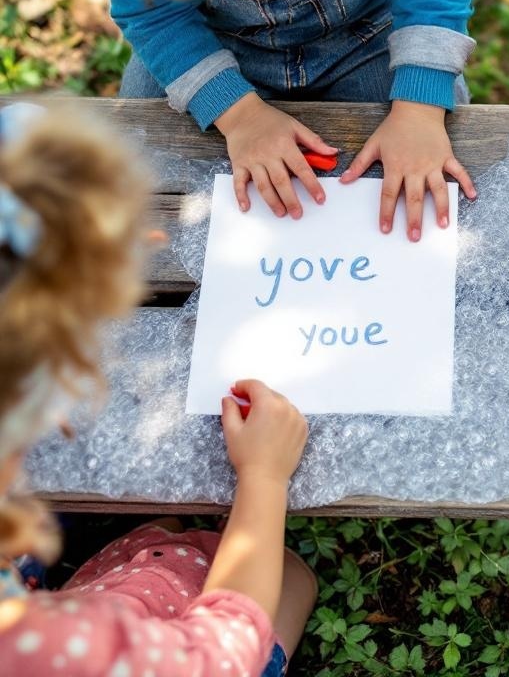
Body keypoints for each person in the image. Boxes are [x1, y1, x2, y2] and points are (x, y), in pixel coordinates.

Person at [0, 106, 316, 675]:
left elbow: (19, 136)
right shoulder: (55, 647)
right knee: (290, 578)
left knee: (149, 536)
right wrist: (264, 480)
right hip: (150, 639)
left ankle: (138, 543)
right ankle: (153, 550)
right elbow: (223, 652)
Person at [53, 0, 478, 241]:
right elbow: (156, 18)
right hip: (211, 43)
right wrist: (238, 115)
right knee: (139, 179)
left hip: (369, 35)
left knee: (433, 176)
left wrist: (419, 110)